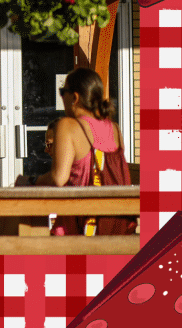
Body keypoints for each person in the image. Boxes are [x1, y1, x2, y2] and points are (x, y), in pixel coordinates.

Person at [36, 67, 136, 236]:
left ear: (74, 97)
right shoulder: (114, 128)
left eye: (63, 92)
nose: (62, 97)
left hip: (79, 230)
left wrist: (31, 181)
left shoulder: (68, 125)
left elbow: (59, 178)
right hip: (116, 227)